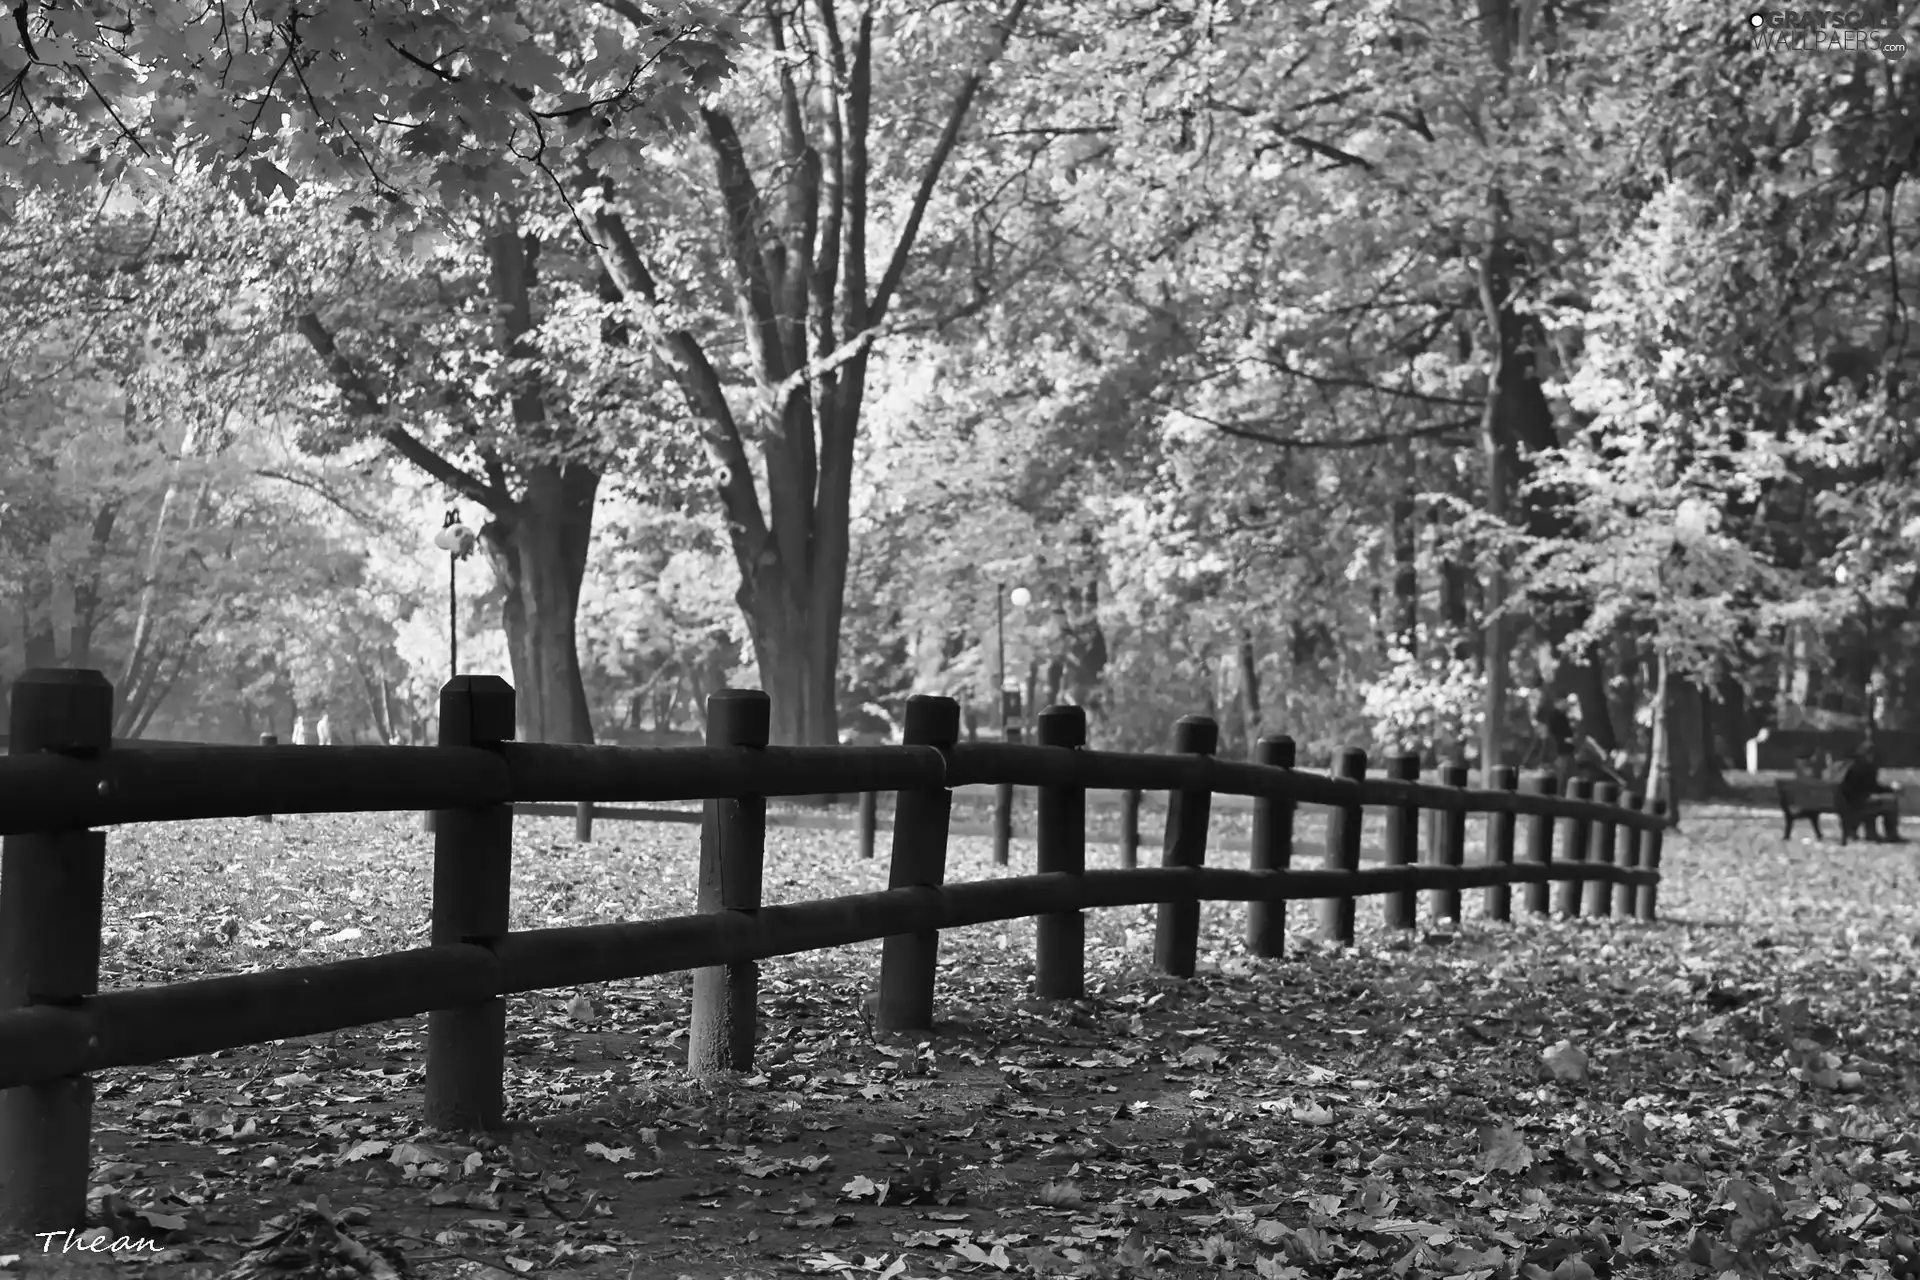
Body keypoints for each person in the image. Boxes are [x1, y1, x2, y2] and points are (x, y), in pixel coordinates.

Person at [1837, 739, 1900, 841]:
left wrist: (1888, 789)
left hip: (1857, 801)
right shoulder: (1860, 768)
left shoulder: (1859, 766)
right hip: (1856, 803)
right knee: (1891, 801)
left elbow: (1872, 787)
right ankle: (1890, 833)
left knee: (1887, 799)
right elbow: (1860, 789)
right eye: (1870, 754)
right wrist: (1884, 792)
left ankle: (1876, 832)